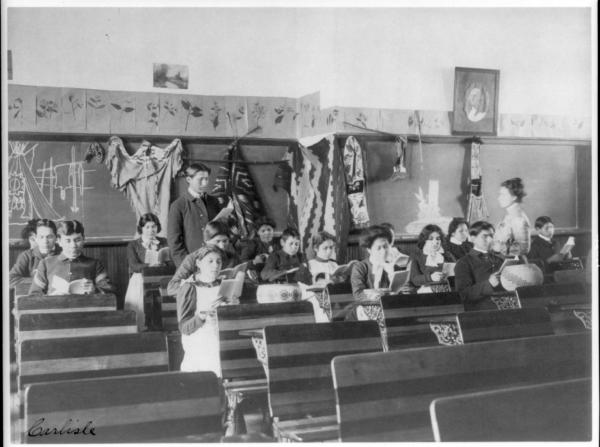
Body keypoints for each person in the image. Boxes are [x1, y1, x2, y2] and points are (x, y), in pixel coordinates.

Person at [177, 246, 230, 375]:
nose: (216, 265)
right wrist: (201, 316)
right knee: (215, 348)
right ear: (198, 263)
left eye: (219, 261)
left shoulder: (226, 284)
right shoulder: (189, 288)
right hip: (200, 336)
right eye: (210, 261)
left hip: (223, 331)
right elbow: (184, 328)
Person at [29, 220, 114, 295]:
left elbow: (110, 292)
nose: (73, 245)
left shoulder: (95, 264)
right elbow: (34, 295)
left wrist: (95, 290)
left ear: (84, 239)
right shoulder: (46, 264)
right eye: (68, 241)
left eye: (77, 240)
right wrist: (51, 298)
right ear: (59, 241)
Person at [167, 163, 222, 266]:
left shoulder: (214, 202)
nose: (205, 183)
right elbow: (174, 242)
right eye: (200, 179)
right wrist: (187, 265)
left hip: (215, 262)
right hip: (192, 263)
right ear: (189, 179)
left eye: (206, 179)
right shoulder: (178, 205)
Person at [167, 221, 242, 295]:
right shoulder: (192, 258)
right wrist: (200, 282)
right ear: (206, 241)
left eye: (225, 241)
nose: (222, 246)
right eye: (217, 241)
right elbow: (172, 288)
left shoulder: (232, 257)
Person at [124, 213, 169, 330]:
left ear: (158, 227)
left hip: (160, 277)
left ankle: (161, 328)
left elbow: (171, 261)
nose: (151, 230)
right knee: (142, 310)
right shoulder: (133, 245)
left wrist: (164, 264)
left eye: (153, 226)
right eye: (147, 227)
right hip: (140, 279)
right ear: (141, 228)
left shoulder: (164, 242)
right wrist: (149, 266)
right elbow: (134, 266)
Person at [455, 221, 504, 304]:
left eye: (491, 236)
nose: (490, 240)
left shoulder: (499, 260)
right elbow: (462, 295)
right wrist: (489, 284)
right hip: (481, 309)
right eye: (485, 236)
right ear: (473, 238)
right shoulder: (464, 263)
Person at [10, 218, 61, 288]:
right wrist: (40, 281)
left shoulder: (63, 253)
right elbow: (11, 280)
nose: (45, 241)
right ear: (36, 238)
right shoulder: (26, 256)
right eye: (41, 237)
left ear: (56, 238)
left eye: (49, 237)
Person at [492, 177, 531, 257]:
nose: (499, 198)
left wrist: (499, 247)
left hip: (512, 264)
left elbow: (523, 249)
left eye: (503, 195)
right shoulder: (509, 216)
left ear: (514, 197)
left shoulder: (518, 218)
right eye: (499, 194)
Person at [409, 224, 454, 289]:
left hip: (447, 289)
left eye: (438, 239)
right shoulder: (416, 255)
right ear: (424, 240)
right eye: (431, 239)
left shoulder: (447, 255)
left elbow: (457, 272)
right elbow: (414, 279)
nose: (435, 242)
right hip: (426, 292)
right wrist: (431, 277)